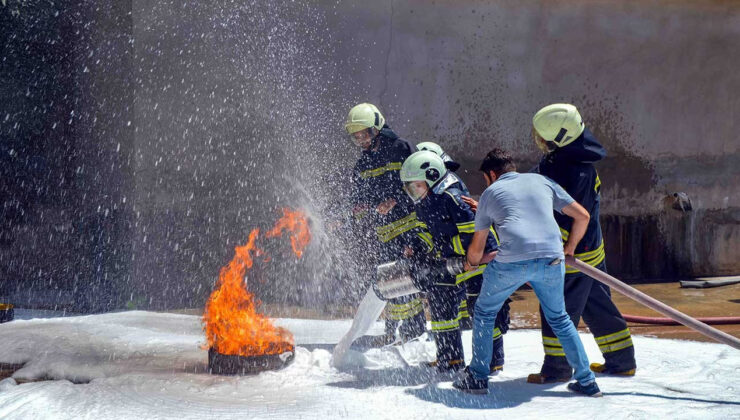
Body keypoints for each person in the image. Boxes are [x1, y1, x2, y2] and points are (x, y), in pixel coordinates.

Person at [452, 148, 601, 397]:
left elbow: (478, 248)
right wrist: (569, 249)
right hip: (552, 260)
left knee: (485, 312)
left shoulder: (491, 192)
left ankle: (477, 377)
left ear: (491, 174)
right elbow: (583, 216)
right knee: (561, 319)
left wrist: (470, 263)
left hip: (511, 262)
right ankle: (587, 381)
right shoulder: (541, 180)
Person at [528, 104, 636, 383]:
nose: (537, 140)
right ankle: (622, 360)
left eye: (541, 136)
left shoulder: (577, 174)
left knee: (556, 308)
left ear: (558, 139)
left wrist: (565, 251)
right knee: (596, 304)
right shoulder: (564, 162)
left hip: (574, 253)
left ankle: (557, 369)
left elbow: (578, 218)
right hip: (590, 251)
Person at [400, 150, 510, 372]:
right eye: (410, 188)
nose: (413, 192)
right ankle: (450, 359)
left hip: (479, 261)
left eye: (416, 186)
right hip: (451, 261)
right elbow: (426, 230)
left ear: (432, 177)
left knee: (481, 310)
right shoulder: (424, 202)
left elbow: (474, 236)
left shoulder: (454, 199)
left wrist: (444, 250)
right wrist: (418, 246)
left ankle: (493, 360)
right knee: (441, 307)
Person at [346, 103, 428, 343]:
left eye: (365, 134)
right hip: (385, 234)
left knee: (407, 278)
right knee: (391, 282)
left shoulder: (400, 148)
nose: (361, 140)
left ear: (377, 128)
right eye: (356, 136)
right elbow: (359, 195)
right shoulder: (363, 163)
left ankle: (413, 330)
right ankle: (392, 332)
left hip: (410, 227)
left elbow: (418, 183)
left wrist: (396, 199)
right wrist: (357, 209)